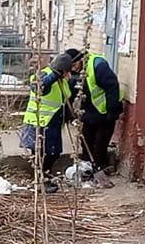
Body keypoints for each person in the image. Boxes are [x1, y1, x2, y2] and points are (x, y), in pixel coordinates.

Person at [20, 51, 75, 192]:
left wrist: (69, 115)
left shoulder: (62, 80)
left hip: (52, 123)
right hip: (39, 123)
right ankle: (41, 181)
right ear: (62, 70)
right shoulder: (43, 75)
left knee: (54, 153)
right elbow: (41, 88)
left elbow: (64, 98)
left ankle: (45, 177)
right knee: (41, 153)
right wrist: (56, 75)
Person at [73, 47, 123, 186]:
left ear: (81, 60)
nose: (73, 69)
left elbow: (112, 87)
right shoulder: (78, 70)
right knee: (86, 139)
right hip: (91, 111)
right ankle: (88, 168)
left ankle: (99, 167)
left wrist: (112, 111)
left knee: (100, 142)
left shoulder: (98, 65)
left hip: (106, 111)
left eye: (74, 65)